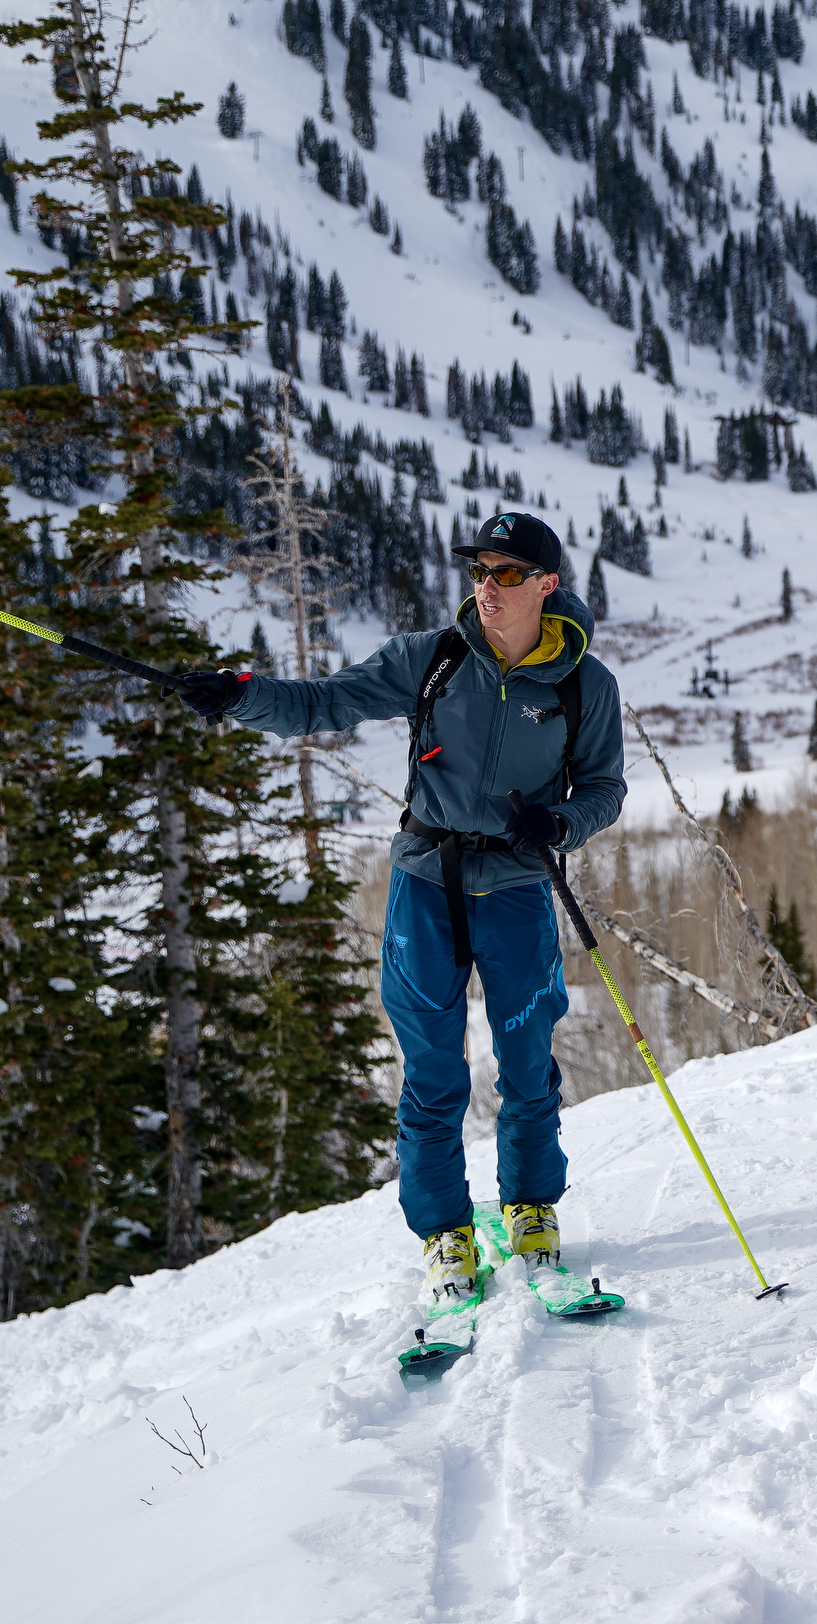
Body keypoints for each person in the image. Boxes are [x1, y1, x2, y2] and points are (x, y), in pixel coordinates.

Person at [175, 510, 626, 1307]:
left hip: (519, 892)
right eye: (480, 571)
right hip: (428, 885)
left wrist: (559, 824)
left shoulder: (586, 684)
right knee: (432, 1072)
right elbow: (322, 703)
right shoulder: (434, 659)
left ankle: (530, 1208)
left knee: (527, 1068)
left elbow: (603, 790)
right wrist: (238, 697)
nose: (488, 586)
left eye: (508, 573)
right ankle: (444, 1231)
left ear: (547, 585)